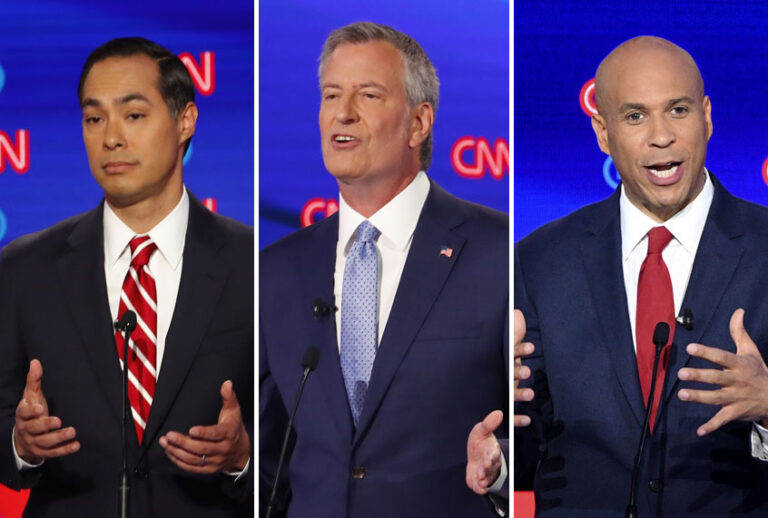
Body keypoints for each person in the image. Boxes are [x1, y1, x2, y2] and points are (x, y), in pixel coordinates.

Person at [259, 22, 508, 518]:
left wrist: (503, 468)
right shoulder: (276, 270)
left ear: (419, 123)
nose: (342, 113)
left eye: (368, 95)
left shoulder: (497, 252)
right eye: (331, 95)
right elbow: (270, 458)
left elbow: (539, 424)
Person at [515, 35, 768, 516]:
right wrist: (498, 415)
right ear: (603, 133)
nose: (661, 136)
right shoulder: (540, 261)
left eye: (678, 110)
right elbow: (520, 458)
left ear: (707, 116)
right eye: (635, 116)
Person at [0, 37, 253, 517]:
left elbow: (297, 437)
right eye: (94, 118)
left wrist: (242, 456)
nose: (110, 137)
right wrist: (20, 442)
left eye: (133, 115)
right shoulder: (24, 268)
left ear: (185, 121)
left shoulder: (252, 266)